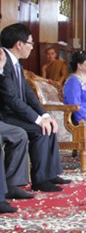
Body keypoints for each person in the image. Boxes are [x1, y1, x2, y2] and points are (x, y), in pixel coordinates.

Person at [0, 23, 70, 192]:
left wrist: (44, 115)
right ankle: (40, 179)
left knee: (49, 124)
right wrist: (38, 120)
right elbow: (10, 99)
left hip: (16, 113)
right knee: (39, 129)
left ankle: (49, 173)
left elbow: (28, 94)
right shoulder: (4, 62)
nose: (32, 47)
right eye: (30, 43)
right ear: (19, 44)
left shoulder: (16, 62)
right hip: (6, 115)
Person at [0, 48, 33, 203]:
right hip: (6, 115)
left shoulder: (8, 64)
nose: (32, 47)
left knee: (19, 134)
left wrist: (0, 68)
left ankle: (12, 185)